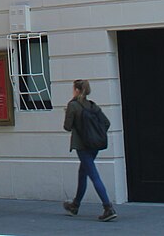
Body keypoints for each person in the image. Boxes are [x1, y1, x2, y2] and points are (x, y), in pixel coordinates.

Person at [63, 79, 117, 221]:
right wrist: (95, 136)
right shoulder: (92, 106)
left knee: (93, 175)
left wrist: (68, 113)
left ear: (77, 90)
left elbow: (67, 126)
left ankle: (108, 207)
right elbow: (106, 123)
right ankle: (75, 205)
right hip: (94, 146)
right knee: (83, 173)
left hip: (82, 146)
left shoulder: (73, 105)